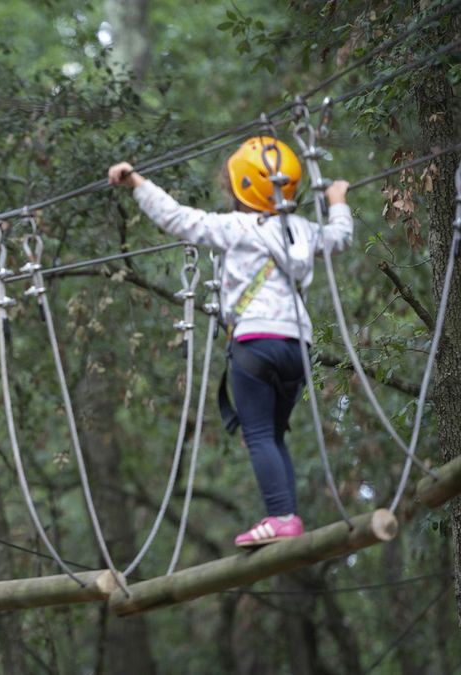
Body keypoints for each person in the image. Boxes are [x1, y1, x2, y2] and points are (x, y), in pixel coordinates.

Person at [108, 136, 352, 548]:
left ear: (239, 186)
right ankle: (286, 517)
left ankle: (280, 517)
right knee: (269, 435)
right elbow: (340, 237)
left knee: (258, 435)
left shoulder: (234, 227)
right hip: (297, 348)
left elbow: (177, 218)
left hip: (255, 344)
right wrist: (338, 199)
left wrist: (138, 184)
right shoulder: (305, 231)